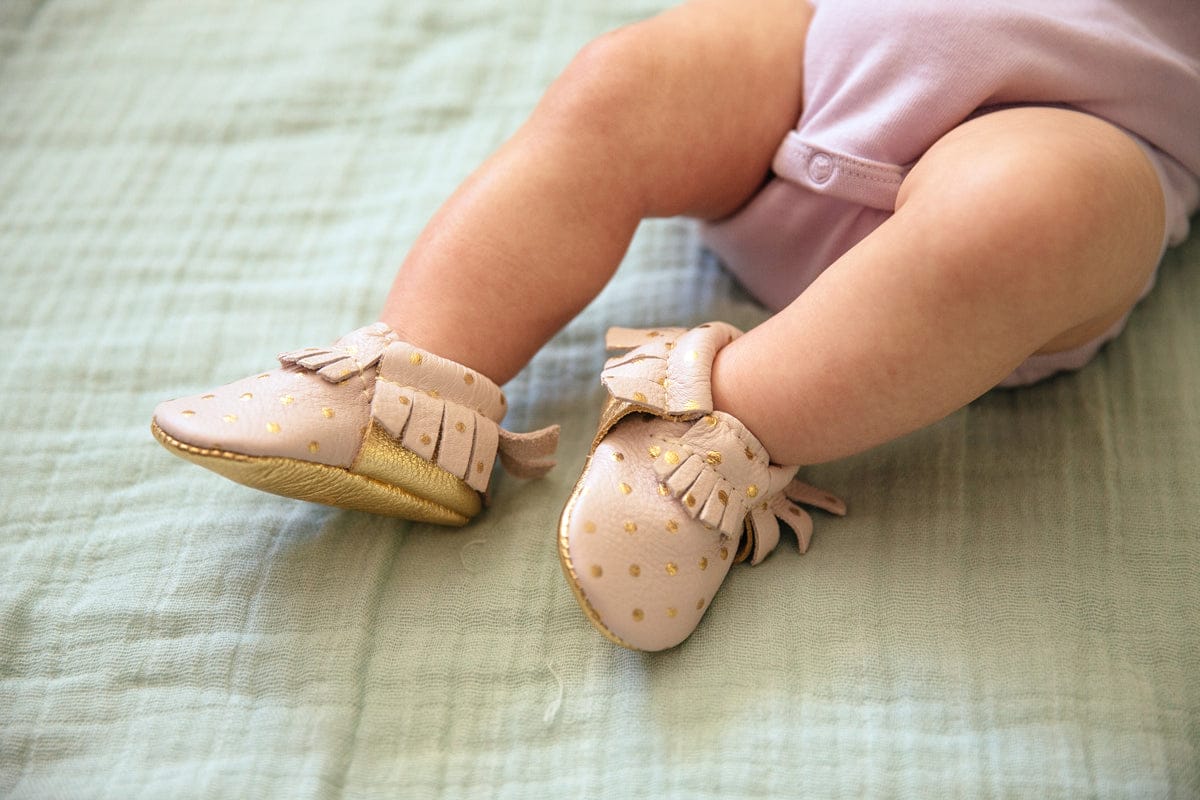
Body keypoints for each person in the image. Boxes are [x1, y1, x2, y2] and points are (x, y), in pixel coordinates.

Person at [151, 0, 1199, 651]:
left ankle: (723, 434)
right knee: (624, 79)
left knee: (1029, 216)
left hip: (1077, 144)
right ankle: (422, 381)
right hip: (815, 64)